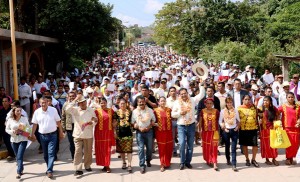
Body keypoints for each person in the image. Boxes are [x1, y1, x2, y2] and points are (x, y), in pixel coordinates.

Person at [30, 97, 64, 179]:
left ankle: (49, 171)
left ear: (48, 102)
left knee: (51, 153)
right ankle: (49, 166)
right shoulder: (37, 112)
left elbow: (58, 122)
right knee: (45, 155)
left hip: (53, 135)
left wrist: (61, 132)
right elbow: (34, 124)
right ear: (39, 103)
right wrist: (32, 134)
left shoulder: (53, 110)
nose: (43, 104)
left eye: (45, 102)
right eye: (41, 103)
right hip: (42, 136)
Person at [171, 87, 205, 170]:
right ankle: (182, 162)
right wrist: (179, 113)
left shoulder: (192, 100)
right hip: (181, 126)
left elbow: (201, 95)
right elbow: (172, 114)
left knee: (190, 145)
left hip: (191, 125)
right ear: (179, 95)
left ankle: (188, 162)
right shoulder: (176, 103)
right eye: (181, 94)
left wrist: (201, 84)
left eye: (184, 93)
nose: (183, 95)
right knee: (182, 144)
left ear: (187, 93)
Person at [65, 94, 97, 176]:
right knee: (78, 151)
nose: (82, 104)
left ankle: (87, 165)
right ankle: (78, 168)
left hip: (88, 133)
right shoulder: (75, 110)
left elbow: (95, 119)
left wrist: (92, 122)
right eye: (80, 103)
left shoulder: (91, 110)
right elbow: (67, 109)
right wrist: (75, 99)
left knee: (88, 151)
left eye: (83, 102)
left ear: (86, 102)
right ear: (78, 104)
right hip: (78, 134)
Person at [131, 95, 156, 174]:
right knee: (141, 149)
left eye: (143, 102)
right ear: (137, 103)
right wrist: (138, 127)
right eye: (139, 102)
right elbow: (133, 122)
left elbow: (153, 120)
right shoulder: (135, 112)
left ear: (145, 102)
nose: (141, 103)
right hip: (139, 132)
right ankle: (142, 165)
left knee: (149, 148)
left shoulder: (150, 110)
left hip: (149, 131)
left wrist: (148, 127)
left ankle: (148, 160)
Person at [5, 106, 30, 179]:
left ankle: (18, 172)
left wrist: (21, 130)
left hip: (23, 139)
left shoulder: (24, 119)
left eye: (20, 111)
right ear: (14, 112)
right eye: (17, 111)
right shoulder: (10, 120)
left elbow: (29, 130)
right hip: (14, 140)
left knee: (19, 156)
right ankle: (21, 168)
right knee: (18, 156)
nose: (19, 112)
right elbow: (7, 129)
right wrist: (13, 132)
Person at [277, 92, 300, 165]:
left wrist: (299, 121)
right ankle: (288, 158)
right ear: (286, 98)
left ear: (294, 98)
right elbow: (276, 112)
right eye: (289, 97)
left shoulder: (297, 106)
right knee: (288, 144)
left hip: (296, 127)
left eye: (292, 97)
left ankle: (292, 158)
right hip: (287, 128)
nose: (290, 98)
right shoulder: (283, 106)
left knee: (295, 144)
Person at [94, 98, 116, 173]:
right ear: (99, 104)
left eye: (104, 103)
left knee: (107, 150)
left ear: (106, 103)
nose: (103, 104)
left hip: (109, 133)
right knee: (101, 150)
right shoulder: (96, 111)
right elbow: (93, 120)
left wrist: (114, 124)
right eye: (101, 103)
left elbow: (115, 119)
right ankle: (104, 165)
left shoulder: (111, 111)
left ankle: (107, 166)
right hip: (99, 133)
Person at [219, 97, 240, 171]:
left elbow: (239, 120)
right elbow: (220, 121)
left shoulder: (235, 110)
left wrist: (237, 127)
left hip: (234, 130)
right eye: (228, 102)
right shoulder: (222, 111)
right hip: (226, 130)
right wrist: (224, 128)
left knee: (233, 148)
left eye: (231, 102)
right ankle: (228, 159)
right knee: (227, 146)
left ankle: (234, 164)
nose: (229, 104)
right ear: (226, 103)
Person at [238, 95, 259, 167]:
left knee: (255, 145)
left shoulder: (254, 108)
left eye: (248, 99)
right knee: (244, 145)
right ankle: (247, 159)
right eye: (245, 99)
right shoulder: (239, 109)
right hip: (243, 129)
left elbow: (258, 116)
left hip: (253, 128)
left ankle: (253, 159)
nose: (247, 101)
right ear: (242, 100)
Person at [199, 98, 220, 171]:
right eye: (207, 103)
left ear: (213, 104)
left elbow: (219, 121)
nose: (209, 105)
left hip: (215, 132)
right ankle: (208, 160)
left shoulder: (216, 111)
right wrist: (199, 130)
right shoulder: (202, 111)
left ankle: (214, 162)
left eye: (210, 103)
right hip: (205, 132)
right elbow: (201, 121)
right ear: (205, 104)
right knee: (207, 147)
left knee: (214, 147)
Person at [258, 96, 279, 166]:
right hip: (264, 129)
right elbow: (257, 118)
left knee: (273, 144)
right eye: (264, 101)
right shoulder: (260, 109)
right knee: (266, 145)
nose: (265, 102)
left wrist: (277, 123)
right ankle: (267, 159)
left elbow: (278, 116)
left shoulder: (274, 109)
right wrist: (259, 121)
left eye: (267, 101)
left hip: (273, 128)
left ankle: (274, 158)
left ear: (270, 102)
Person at [113, 99, 133, 173]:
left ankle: (129, 164)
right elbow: (114, 124)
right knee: (121, 150)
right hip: (119, 134)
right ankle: (124, 162)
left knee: (129, 150)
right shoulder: (116, 113)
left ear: (126, 104)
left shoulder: (130, 112)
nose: (122, 105)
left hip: (128, 133)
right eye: (121, 104)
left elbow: (132, 122)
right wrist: (114, 132)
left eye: (124, 103)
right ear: (119, 105)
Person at [154, 97, 173, 172]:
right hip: (160, 132)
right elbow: (153, 120)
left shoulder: (169, 110)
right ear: (158, 102)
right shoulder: (155, 111)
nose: (163, 102)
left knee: (169, 147)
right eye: (161, 101)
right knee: (162, 148)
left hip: (168, 131)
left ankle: (167, 162)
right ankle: (162, 164)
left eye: (164, 101)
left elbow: (173, 118)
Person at [61, 91, 76, 161]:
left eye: (73, 96)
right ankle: (73, 156)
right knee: (71, 143)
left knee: (78, 142)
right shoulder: (65, 105)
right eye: (70, 96)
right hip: (69, 126)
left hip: (77, 126)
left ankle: (78, 155)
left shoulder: (78, 104)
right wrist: (63, 128)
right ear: (68, 97)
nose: (72, 97)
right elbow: (63, 117)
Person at [0, 96, 15, 161]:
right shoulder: (1, 111)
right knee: (7, 142)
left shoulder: (12, 111)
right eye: (3, 101)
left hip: (13, 129)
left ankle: (14, 153)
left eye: (6, 101)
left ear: (9, 102)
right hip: (3, 129)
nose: (4, 103)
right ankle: (11, 154)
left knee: (12, 141)